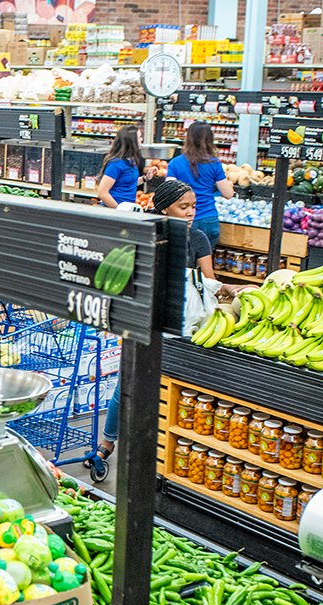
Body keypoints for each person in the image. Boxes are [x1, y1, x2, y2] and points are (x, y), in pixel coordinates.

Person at [93, 179, 215, 467]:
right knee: (126, 383)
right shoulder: (146, 235)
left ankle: (160, 457)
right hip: (146, 320)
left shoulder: (198, 239)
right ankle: (107, 443)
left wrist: (227, 290)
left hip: (184, 324)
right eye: (183, 207)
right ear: (164, 209)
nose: (190, 212)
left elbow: (209, 281)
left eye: (193, 207)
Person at [164, 121, 235, 246]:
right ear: (210, 140)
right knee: (204, 261)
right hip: (209, 219)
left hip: (184, 219)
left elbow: (168, 193)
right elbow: (228, 194)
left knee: (184, 261)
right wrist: (229, 185)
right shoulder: (214, 163)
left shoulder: (175, 163)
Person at [96, 125, 154, 209]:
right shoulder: (116, 164)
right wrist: (118, 209)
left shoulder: (130, 160)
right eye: (139, 137)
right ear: (132, 141)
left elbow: (127, 183)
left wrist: (146, 178)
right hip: (113, 211)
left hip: (127, 209)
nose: (142, 140)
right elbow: (102, 192)